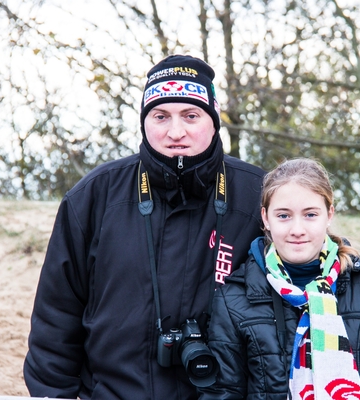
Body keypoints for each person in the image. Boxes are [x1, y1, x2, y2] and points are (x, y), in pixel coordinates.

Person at [23, 55, 266, 399]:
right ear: (144, 122)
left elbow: (307, 263)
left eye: (191, 116)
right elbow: (56, 315)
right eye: (161, 116)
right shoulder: (95, 195)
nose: (175, 131)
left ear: (213, 121)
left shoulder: (258, 194)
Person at [198, 158, 360, 399]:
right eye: (284, 216)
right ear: (266, 218)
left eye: (310, 214)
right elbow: (222, 393)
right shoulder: (233, 300)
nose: (297, 229)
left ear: (329, 214)